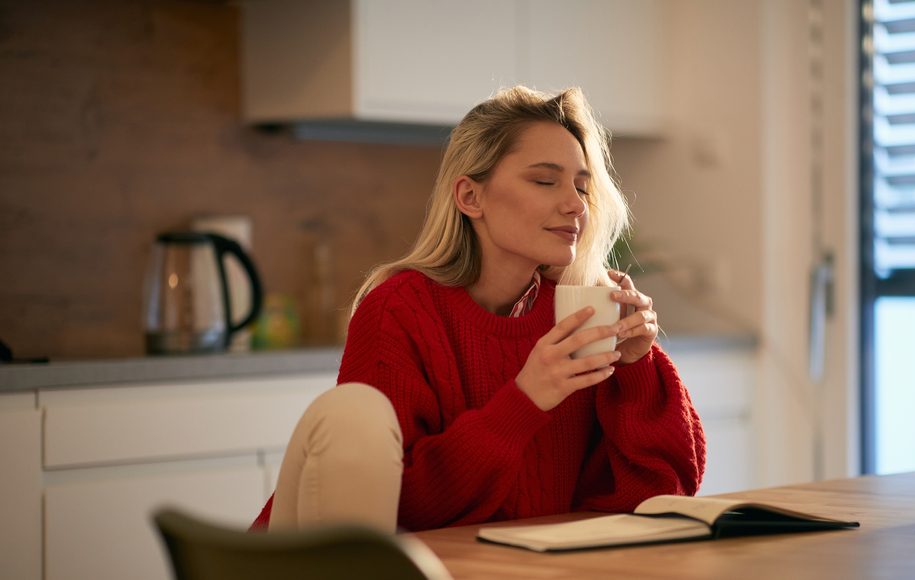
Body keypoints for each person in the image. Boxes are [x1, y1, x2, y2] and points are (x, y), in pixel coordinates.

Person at [251, 86, 706, 533]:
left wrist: (635, 366)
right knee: (353, 412)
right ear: (471, 197)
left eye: (582, 188)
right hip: (343, 563)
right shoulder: (398, 310)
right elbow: (397, 509)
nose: (574, 205)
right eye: (545, 181)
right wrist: (526, 399)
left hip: (522, 570)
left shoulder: (579, 313)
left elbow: (662, 500)